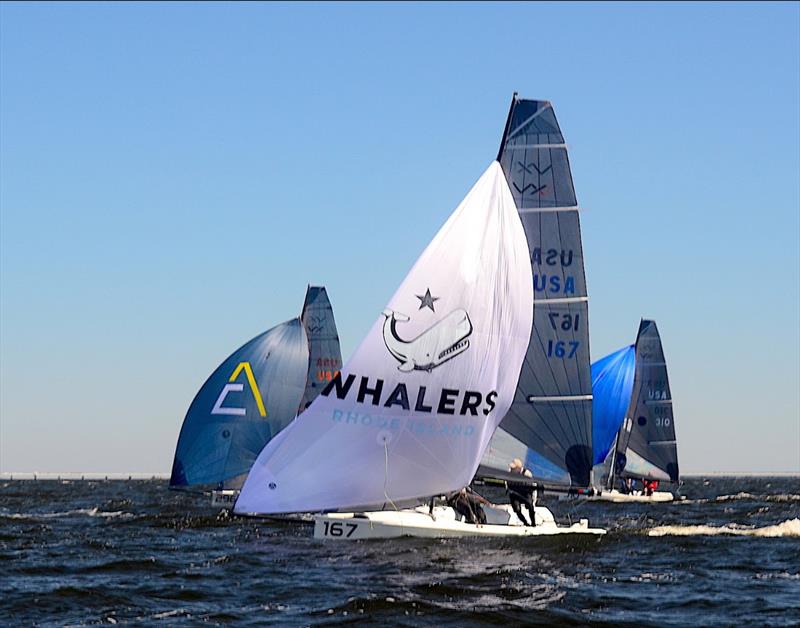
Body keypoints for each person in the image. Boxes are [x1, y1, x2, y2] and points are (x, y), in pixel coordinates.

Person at [506, 458, 537, 527]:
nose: (511, 469)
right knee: (517, 509)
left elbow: (533, 487)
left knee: (530, 506)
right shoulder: (510, 473)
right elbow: (507, 485)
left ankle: (533, 523)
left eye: (513, 468)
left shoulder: (527, 474)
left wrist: (534, 500)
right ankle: (525, 523)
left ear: (518, 468)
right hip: (515, 494)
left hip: (525, 494)